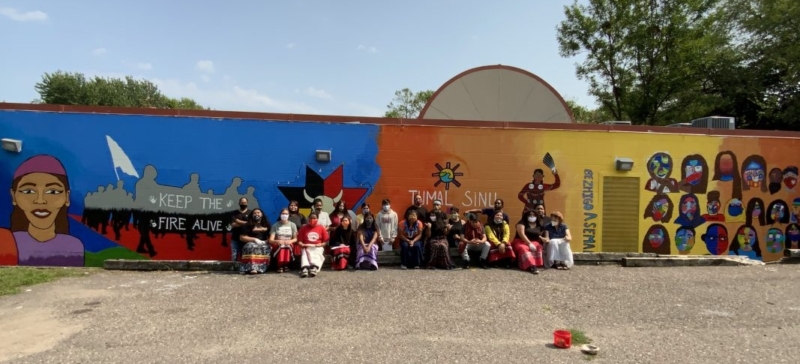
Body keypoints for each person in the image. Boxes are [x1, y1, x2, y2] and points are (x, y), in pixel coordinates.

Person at [238, 208, 271, 274]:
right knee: (252, 246)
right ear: (252, 215)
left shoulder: (267, 225)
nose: (256, 214)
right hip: (250, 243)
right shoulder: (247, 225)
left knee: (267, 248)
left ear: (262, 214)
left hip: (263, 243)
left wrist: (266, 241)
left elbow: (271, 236)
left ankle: (262, 268)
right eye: (254, 213)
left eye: (258, 212)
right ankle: (251, 268)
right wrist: (255, 239)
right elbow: (242, 237)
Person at [511, 209, 544, 274]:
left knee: (538, 246)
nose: (532, 216)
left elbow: (539, 235)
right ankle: (532, 266)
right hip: (520, 241)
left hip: (533, 241)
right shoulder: (521, 223)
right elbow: (521, 234)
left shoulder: (539, 224)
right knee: (524, 249)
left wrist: (544, 239)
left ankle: (536, 264)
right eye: (530, 215)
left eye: (533, 215)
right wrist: (529, 243)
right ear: (526, 216)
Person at [297, 212, 329, 278]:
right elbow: (299, 241)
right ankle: (305, 268)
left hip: (317, 246)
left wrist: (321, 244)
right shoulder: (304, 228)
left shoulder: (321, 228)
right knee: (304, 253)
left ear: (317, 219)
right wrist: (302, 244)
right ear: (308, 219)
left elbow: (325, 242)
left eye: (314, 218)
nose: (312, 220)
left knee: (317, 252)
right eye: (311, 218)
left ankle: (314, 267)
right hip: (306, 246)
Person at [425, 199, 454, 269]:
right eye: (434, 204)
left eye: (437, 205)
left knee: (443, 246)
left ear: (440, 206)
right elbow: (428, 235)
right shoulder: (429, 214)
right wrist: (429, 228)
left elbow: (446, 233)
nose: (436, 206)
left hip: (442, 237)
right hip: (433, 238)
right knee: (435, 246)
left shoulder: (444, 215)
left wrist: (448, 229)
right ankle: (432, 264)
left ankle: (444, 264)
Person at [268, 208, 298, 273]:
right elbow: (271, 240)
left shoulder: (292, 225)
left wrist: (290, 241)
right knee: (281, 245)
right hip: (278, 243)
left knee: (287, 245)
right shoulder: (275, 225)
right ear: (280, 215)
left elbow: (295, 238)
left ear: (288, 215)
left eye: (286, 214)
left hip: (289, 243)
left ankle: (286, 264)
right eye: (283, 213)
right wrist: (278, 241)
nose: (284, 215)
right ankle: (280, 265)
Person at [229, 197, 250, 264]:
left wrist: (238, 221)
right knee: (234, 255)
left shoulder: (250, 213)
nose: (243, 204)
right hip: (235, 238)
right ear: (239, 203)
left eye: (244, 203)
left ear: (247, 203)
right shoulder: (234, 213)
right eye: (241, 202)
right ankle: (233, 269)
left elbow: (251, 224)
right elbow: (233, 224)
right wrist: (246, 223)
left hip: (246, 238)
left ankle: (243, 268)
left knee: (244, 255)